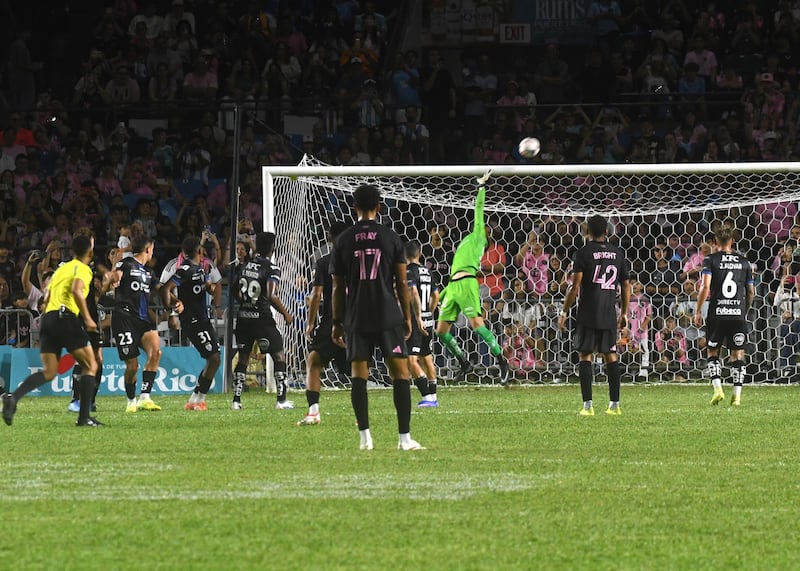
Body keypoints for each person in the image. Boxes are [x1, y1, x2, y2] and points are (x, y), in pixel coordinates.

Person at [330, 184, 423, 451]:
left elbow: (337, 287)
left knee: (359, 374)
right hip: (386, 314)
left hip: (357, 316)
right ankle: (404, 439)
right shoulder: (391, 238)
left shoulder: (343, 240)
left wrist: (337, 322)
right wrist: (407, 316)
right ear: (379, 208)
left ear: (354, 208)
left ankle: (365, 438)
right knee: (400, 373)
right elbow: (402, 282)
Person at [2, 234, 102, 427]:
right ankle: (84, 418)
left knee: (49, 371)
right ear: (90, 251)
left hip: (48, 318)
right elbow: (76, 290)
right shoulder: (83, 268)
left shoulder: (61, 270)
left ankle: (13, 398)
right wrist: (88, 318)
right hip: (66, 318)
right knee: (91, 365)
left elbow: (46, 295)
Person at [435, 171, 509, 384]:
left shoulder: (478, 237)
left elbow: (478, 209)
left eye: (487, 227)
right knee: (441, 331)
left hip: (467, 283)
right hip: (452, 285)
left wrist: (481, 187)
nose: (485, 227)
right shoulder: (464, 240)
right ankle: (464, 362)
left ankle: (502, 362)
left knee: (477, 324)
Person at [558, 214, 630, 416]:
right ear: (607, 232)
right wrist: (623, 313)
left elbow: (575, 286)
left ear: (586, 231)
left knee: (586, 355)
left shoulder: (582, 253)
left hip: (588, 312)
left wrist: (564, 311)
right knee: (611, 355)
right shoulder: (618, 253)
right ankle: (614, 405)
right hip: (608, 312)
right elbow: (625, 285)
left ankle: (588, 406)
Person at [296, 221, 351, 426]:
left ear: (329, 238)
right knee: (358, 368)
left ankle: (313, 412)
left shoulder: (324, 262)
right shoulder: (359, 262)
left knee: (314, 362)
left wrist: (310, 323)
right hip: (355, 323)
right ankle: (360, 416)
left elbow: (317, 294)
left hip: (332, 322)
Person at [231, 231, 294, 411]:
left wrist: (245, 304)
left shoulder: (244, 265)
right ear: (273, 248)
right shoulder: (272, 268)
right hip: (262, 319)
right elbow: (271, 295)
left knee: (243, 357)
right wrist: (286, 314)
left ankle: (236, 400)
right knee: (279, 355)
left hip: (243, 318)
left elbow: (235, 289)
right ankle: (281, 401)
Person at [694, 227, 755, 406]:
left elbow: (705, 287)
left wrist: (698, 311)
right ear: (733, 241)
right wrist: (744, 310)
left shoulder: (710, 260)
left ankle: (718, 388)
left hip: (717, 313)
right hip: (737, 313)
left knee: (712, 350)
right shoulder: (744, 262)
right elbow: (751, 291)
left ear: (714, 241)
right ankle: (737, 395)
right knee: (738, 353)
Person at [162, 237, 221, 411]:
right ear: (199, 250)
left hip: (202, 318)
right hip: (193, 320)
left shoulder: (200, 269)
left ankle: (195, 398)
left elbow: (198, 288)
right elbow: (164, 288)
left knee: (214, 359)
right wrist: (172, 307)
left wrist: (207, 287)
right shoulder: (186, 269)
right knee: (214, 358)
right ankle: (199, 400)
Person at [108, 235, 163, 413]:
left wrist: (176, 299)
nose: (152, 252)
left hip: (143, 320)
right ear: (148, 249)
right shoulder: (127, 263)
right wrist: (114, 279)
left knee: (156, 352)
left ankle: (145, 397)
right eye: (152, 249)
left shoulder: (149, 273)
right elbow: (116, 274)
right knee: (133, 366)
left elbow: (160, 289)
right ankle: (131, 400)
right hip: (124, 319)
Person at [67, 228, 115, 414]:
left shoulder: (92, 264)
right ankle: (76, 400)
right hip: (79, 316)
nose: (92, 245)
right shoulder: (74, 266)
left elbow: (99, 289)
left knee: (98, 358)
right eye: (91, 241)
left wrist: (108, 280)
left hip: (92, 314)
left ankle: (91, 400)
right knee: (83, 359)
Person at [405, 240, 440, 407]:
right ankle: (433, 397)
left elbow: (413, 294)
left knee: (411, 360)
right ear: (419, 254)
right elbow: (436, 296)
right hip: (429, 319)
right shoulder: (428, 271)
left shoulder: (408, 272)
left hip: (415, 319)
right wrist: (429, 312)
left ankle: (426, 395)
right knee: (426, 357)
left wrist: (418, 315)